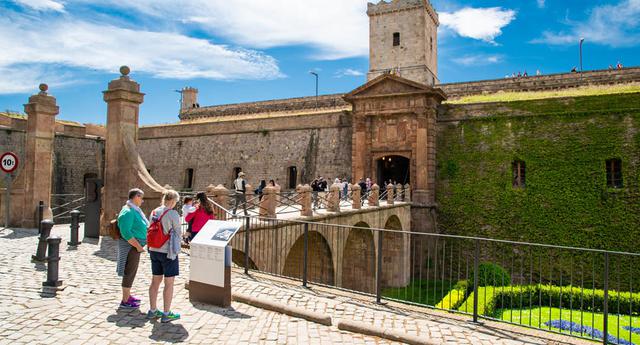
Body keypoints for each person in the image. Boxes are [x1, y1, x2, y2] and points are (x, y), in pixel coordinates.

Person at [147, 189, 182, 323]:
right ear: (172, 201)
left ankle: (152, 310)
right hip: (168, 252)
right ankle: (167, 313)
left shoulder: (154, 211)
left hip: (154, 250)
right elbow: (178, 233)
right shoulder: (172, 213)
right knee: (169, 283)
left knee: (155, 281)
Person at [116, 188, 149, 309]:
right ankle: (125, 300)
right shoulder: (128, 211)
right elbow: (126, 232)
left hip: (134, 247)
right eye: (141, 197)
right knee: (129, 272)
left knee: (131, 272)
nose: (142, 200)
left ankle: (127, 296)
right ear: (135, 197)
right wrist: (138, 246)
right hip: (131, 247)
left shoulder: (134, 210)